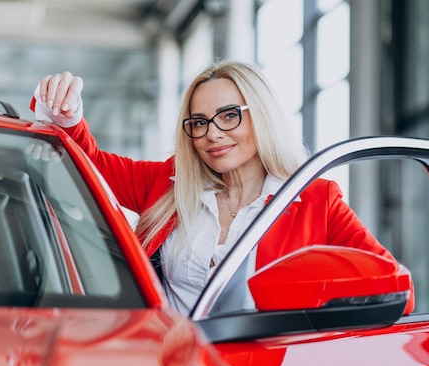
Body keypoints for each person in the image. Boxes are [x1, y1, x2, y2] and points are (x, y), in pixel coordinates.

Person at [30, 60, 409, 315]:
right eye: (198, 122)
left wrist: (312, 291)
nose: (212, 134)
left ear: (261, 115)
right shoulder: (168, 184)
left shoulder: (316, 199)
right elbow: (91, 165)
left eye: (229, 116)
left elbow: (396, 288)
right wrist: (66, 116)